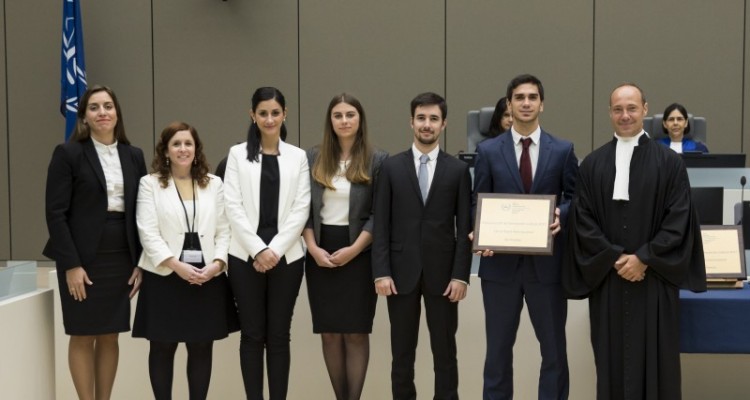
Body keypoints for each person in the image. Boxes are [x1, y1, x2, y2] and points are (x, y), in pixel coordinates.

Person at [563, 83, 707, 399]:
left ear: (644, 109)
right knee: (611, 364)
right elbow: (583, 221)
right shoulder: (593, 164)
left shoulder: (669, 163)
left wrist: (644, 257)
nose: (625, 115)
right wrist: (615, 257)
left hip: (654, 280)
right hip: (610, 282)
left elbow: (678, 220)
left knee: (659, 367)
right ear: (609, 113)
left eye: (631, 108)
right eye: (618, 109)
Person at [472, 74, 577, 400]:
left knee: (554, 353)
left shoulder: (562, 149)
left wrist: (562, 213)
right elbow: (478, 199)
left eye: (532, 97)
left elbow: (576, 197)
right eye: (520, 97)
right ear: (510, 104)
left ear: (541, 104)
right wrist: (481, 230)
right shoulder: (488, 150)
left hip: (547, 269)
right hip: (500, 269)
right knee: (498, 354)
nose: (526, 103)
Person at [44, 85, 147, 400]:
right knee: (82, 334)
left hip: (120, 258)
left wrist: (141, 263)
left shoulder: (134, 155)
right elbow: (55, 213)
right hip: (82, 258)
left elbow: (144, 213)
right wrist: (71, 264)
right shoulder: (68, 154)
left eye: (108, 106)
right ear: (84, 117)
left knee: (109, 336)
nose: (102, 112)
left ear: (117, 113)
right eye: (94, 107)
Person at [373, 92, 472, 400]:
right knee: (402, 354)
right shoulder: (391, 167)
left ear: (443, 124)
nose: (426, 124)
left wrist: (461, 275)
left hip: (444, 276)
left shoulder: (457, 170)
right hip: (399, 276)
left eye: (433, 119)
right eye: (421, 118)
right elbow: (381, 225)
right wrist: (381, 271)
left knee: (445, 353)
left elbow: (465, 227)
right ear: (411, 122)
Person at [133, 121, 238, 400]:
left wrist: (217, 265)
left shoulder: (214, 184)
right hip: (166, 275)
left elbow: (225, 230)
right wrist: (177, 266)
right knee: (162, 347)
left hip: (207, 277)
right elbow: (148, 231)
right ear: (166, 151)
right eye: (176, 144)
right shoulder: (150, 184)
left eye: (188, 143)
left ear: (196, 149)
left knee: (201, 346)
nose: (183, 149)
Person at [223, 86, 311, 400]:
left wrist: (273, 250)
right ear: (253, 116)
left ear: (284, 114)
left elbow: (301, 209)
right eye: (263, 113)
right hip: (244, 257)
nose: (269, 118)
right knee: (251, 335)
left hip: (286, 258)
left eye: (275, 112)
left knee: (278, 336)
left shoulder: (298, 157)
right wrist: (258, 249)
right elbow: (231, 206)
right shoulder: (237, 154)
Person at [303, 93, 389, 400]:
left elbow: (381, 213)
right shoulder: (312, 158)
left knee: (355, 332)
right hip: (320, 251)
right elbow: (302, 209)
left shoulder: (378, 160)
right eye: (338, 115)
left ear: (360, 119)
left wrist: (355, 249)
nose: (344, 120)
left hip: (360, 253)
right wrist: (312, 248)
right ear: (330, 120)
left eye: (350, 114)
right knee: (329, 333)